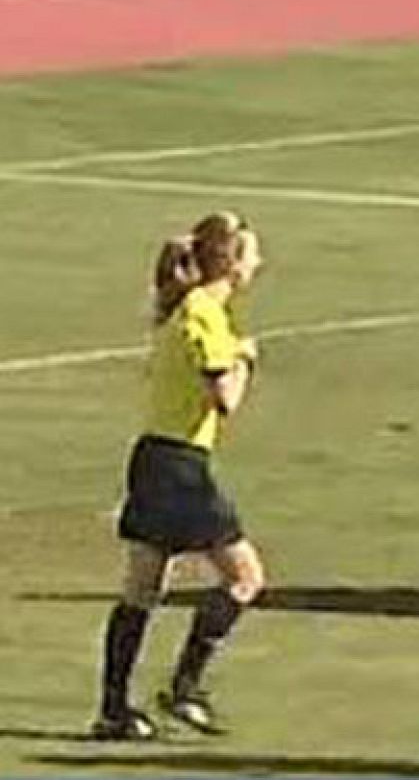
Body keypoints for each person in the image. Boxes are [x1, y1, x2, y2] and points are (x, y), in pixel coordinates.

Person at [92, 212, 266, 740]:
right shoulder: (204, 316)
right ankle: (184, 687)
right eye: (253, 254)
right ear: (233, 264)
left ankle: (113, 708)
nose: (260, 263)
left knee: (142, 589)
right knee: (244, 578)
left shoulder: (187, 310)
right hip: (180, 467)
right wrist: (245, 359)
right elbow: (226, 399)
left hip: (153, 458)